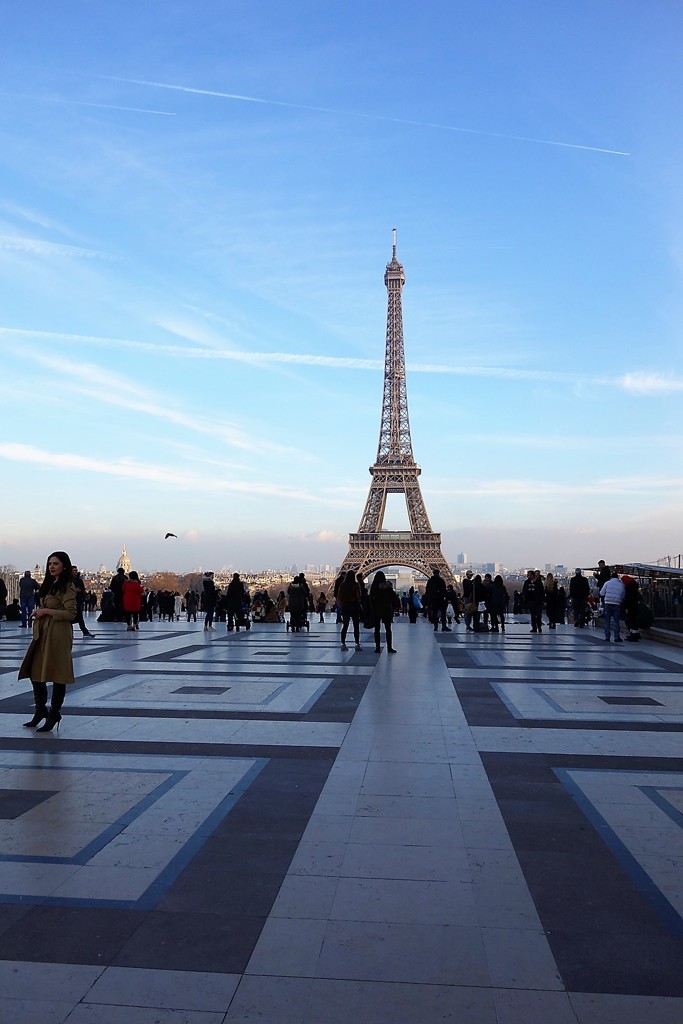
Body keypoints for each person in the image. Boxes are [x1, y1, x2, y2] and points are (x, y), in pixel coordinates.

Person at [18, 551, 77, 733]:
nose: (52, 566)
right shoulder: (49, 584)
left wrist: (47, 612)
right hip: (43, 632)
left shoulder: (67, 587)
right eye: (50, 563)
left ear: (64, 566)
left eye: (56, 563)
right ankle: (40, 709)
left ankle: (54, 712)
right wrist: (41, 611)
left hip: (58, 634)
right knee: (36, 670)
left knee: (58, 673)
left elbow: (71, 614)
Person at [369, 571, 398, 653]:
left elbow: (371, 599)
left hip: (377, 610)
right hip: (386, 610)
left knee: (377, 629)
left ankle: (377, 648)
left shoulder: (374, 587)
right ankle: (389, 647)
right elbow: (394, 599)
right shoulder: (388, 587)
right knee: (388, 629)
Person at [337, 569, 362, 651]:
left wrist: (342, 605)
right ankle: (357, 644)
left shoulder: (343, 585)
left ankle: (343, 644)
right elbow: (358, 596)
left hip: (346, 606)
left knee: (345, 626)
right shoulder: (356, 585)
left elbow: (340, 597)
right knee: (356, 626)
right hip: (354, 606)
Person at [600, 569, 625, 642]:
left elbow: (602, 593)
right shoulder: (621, 584)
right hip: (617, 604)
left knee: (607, 621)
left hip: (607, 603)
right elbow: (623, 595)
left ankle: (607, 637)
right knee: (616, 621)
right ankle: (616, 637)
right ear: (617, 577)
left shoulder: (607, 583)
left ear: (611, 577)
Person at [72, 566, 95, 638]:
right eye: (74, 570)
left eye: (76, 570)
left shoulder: (78, 580)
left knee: (79, 617)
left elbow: (82, 589)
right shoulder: (68, 581)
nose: (76, 572)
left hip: (78, 600)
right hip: (71, 601)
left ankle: (84, 632)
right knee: (77, 618)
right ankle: (84, 632)